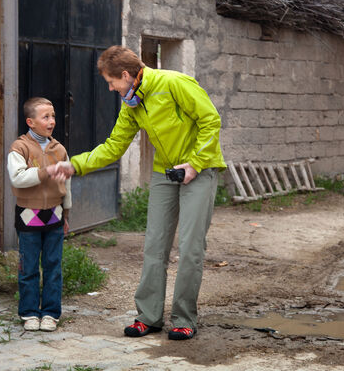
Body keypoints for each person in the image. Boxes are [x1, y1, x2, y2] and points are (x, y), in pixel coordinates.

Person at [47, 45, 226, 340]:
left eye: (111, 81)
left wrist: (194, 164)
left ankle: (184, 318)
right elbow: (114, 145)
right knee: (154, 246)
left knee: (191, 248)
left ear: (127, 75)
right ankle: (149, 316)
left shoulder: (174, 83)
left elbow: (211, 120)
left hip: (200, 169)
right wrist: (73, 166)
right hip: (164, 172)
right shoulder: (133, 101)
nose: (109, 88)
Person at [7, 97, 71, 331]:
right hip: (28, 216)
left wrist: (66, 214)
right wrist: (46, 171)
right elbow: (18, 178)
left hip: (54, 215)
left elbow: (67, 185)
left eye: (53, 116)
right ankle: (30, 312)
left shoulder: (60, 149)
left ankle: (51, 313)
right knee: (29, 266)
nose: (52, 121)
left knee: (53, 266)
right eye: (46, 117)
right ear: (30, 122)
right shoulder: (19, 148)